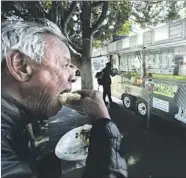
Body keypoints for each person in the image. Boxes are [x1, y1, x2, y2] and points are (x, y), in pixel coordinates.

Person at [1, 19, 127, 178]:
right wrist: (105, 127)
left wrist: (54, 164)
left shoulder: (15, 127)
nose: (73, 77)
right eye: (64, 65)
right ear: (20, 66)